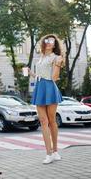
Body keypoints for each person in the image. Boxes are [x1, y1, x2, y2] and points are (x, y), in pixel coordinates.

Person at [28, 34, 63, 164]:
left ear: (54, 44)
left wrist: (58, 65)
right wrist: (31, 73)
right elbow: (40, 75)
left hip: (50, 88)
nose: (48, 42)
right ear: (43, 43)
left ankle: (55, 151)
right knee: (43, 121)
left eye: (51, 41)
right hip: (39, 87)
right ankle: (48, 154)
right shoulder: (41, 57)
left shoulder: (56, 57)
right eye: (46, 40)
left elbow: (53, 77)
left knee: (52, 120)